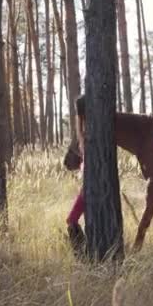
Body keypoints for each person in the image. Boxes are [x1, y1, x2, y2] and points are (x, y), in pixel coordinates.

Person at [66, 95, 87, 257]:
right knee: (72, 220)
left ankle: (82, 254)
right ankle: (84, 252)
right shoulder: (84, 135)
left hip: (88, 190)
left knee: (71, 219)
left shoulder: (87, 135)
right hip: (87, 188)